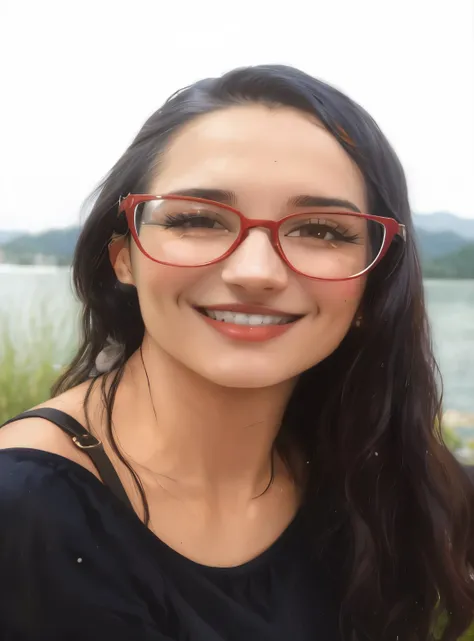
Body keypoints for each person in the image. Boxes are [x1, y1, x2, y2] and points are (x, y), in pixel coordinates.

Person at [0, 65, 473, 641]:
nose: (255, 271)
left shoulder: (367, 470)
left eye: (322, 230)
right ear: (124, 255)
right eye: (197, 219)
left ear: (375, 280)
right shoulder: (26, 513)